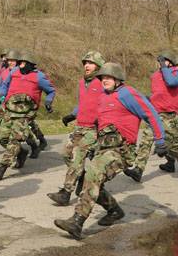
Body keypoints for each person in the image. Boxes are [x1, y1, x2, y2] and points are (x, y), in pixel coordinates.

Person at [54, 62, 167, 240]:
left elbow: (150, 113)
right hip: (104, 149)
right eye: (102, 77)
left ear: (118, 79)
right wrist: (94, 147)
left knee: (93, 174)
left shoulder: (127, 93)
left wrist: (160, 140)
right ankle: (114, 210)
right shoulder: (103, 97)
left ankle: (77, 221)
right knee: (87, 180)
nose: (104, 80)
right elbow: (101, 124)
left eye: (108, 77)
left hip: (122, 150)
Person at [48, 51, 105, 206]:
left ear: (98, 66)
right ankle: (81, 175)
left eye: (91, 63)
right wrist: (72, 115)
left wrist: (102, 124)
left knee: (77, 158)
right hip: (80, 126)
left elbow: (108, 104)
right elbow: (82, 103)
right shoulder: (81, 82)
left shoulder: (103, 83)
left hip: (93, 129)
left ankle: (66, 193)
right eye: (85, 63)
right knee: (66, 153)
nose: (87, 65)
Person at [129, 50, 178, 183]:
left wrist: (164, 68)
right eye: (159, 61)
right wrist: (148, 99)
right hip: (156, 113)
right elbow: (159, 93)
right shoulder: (155, 76)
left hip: (170, 114)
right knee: (146, 139)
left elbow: (171, 83)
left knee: (171, 145)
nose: (160, 63)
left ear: (170, 63)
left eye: (163, 61)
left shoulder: (176, 73)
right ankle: (138, 170)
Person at [0, 51, 55, 181]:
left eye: (24, 63)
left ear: (31, 65)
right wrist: (3, 95)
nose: (21, 66)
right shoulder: (13, 72)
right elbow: (5, 85)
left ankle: (2, 168)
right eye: (20, 63)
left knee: (15, 139)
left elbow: (51, 90)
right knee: (2, 137)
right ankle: (21, 152)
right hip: (9, 110)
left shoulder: (39, 77)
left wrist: (48, 102)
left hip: (25, 114)